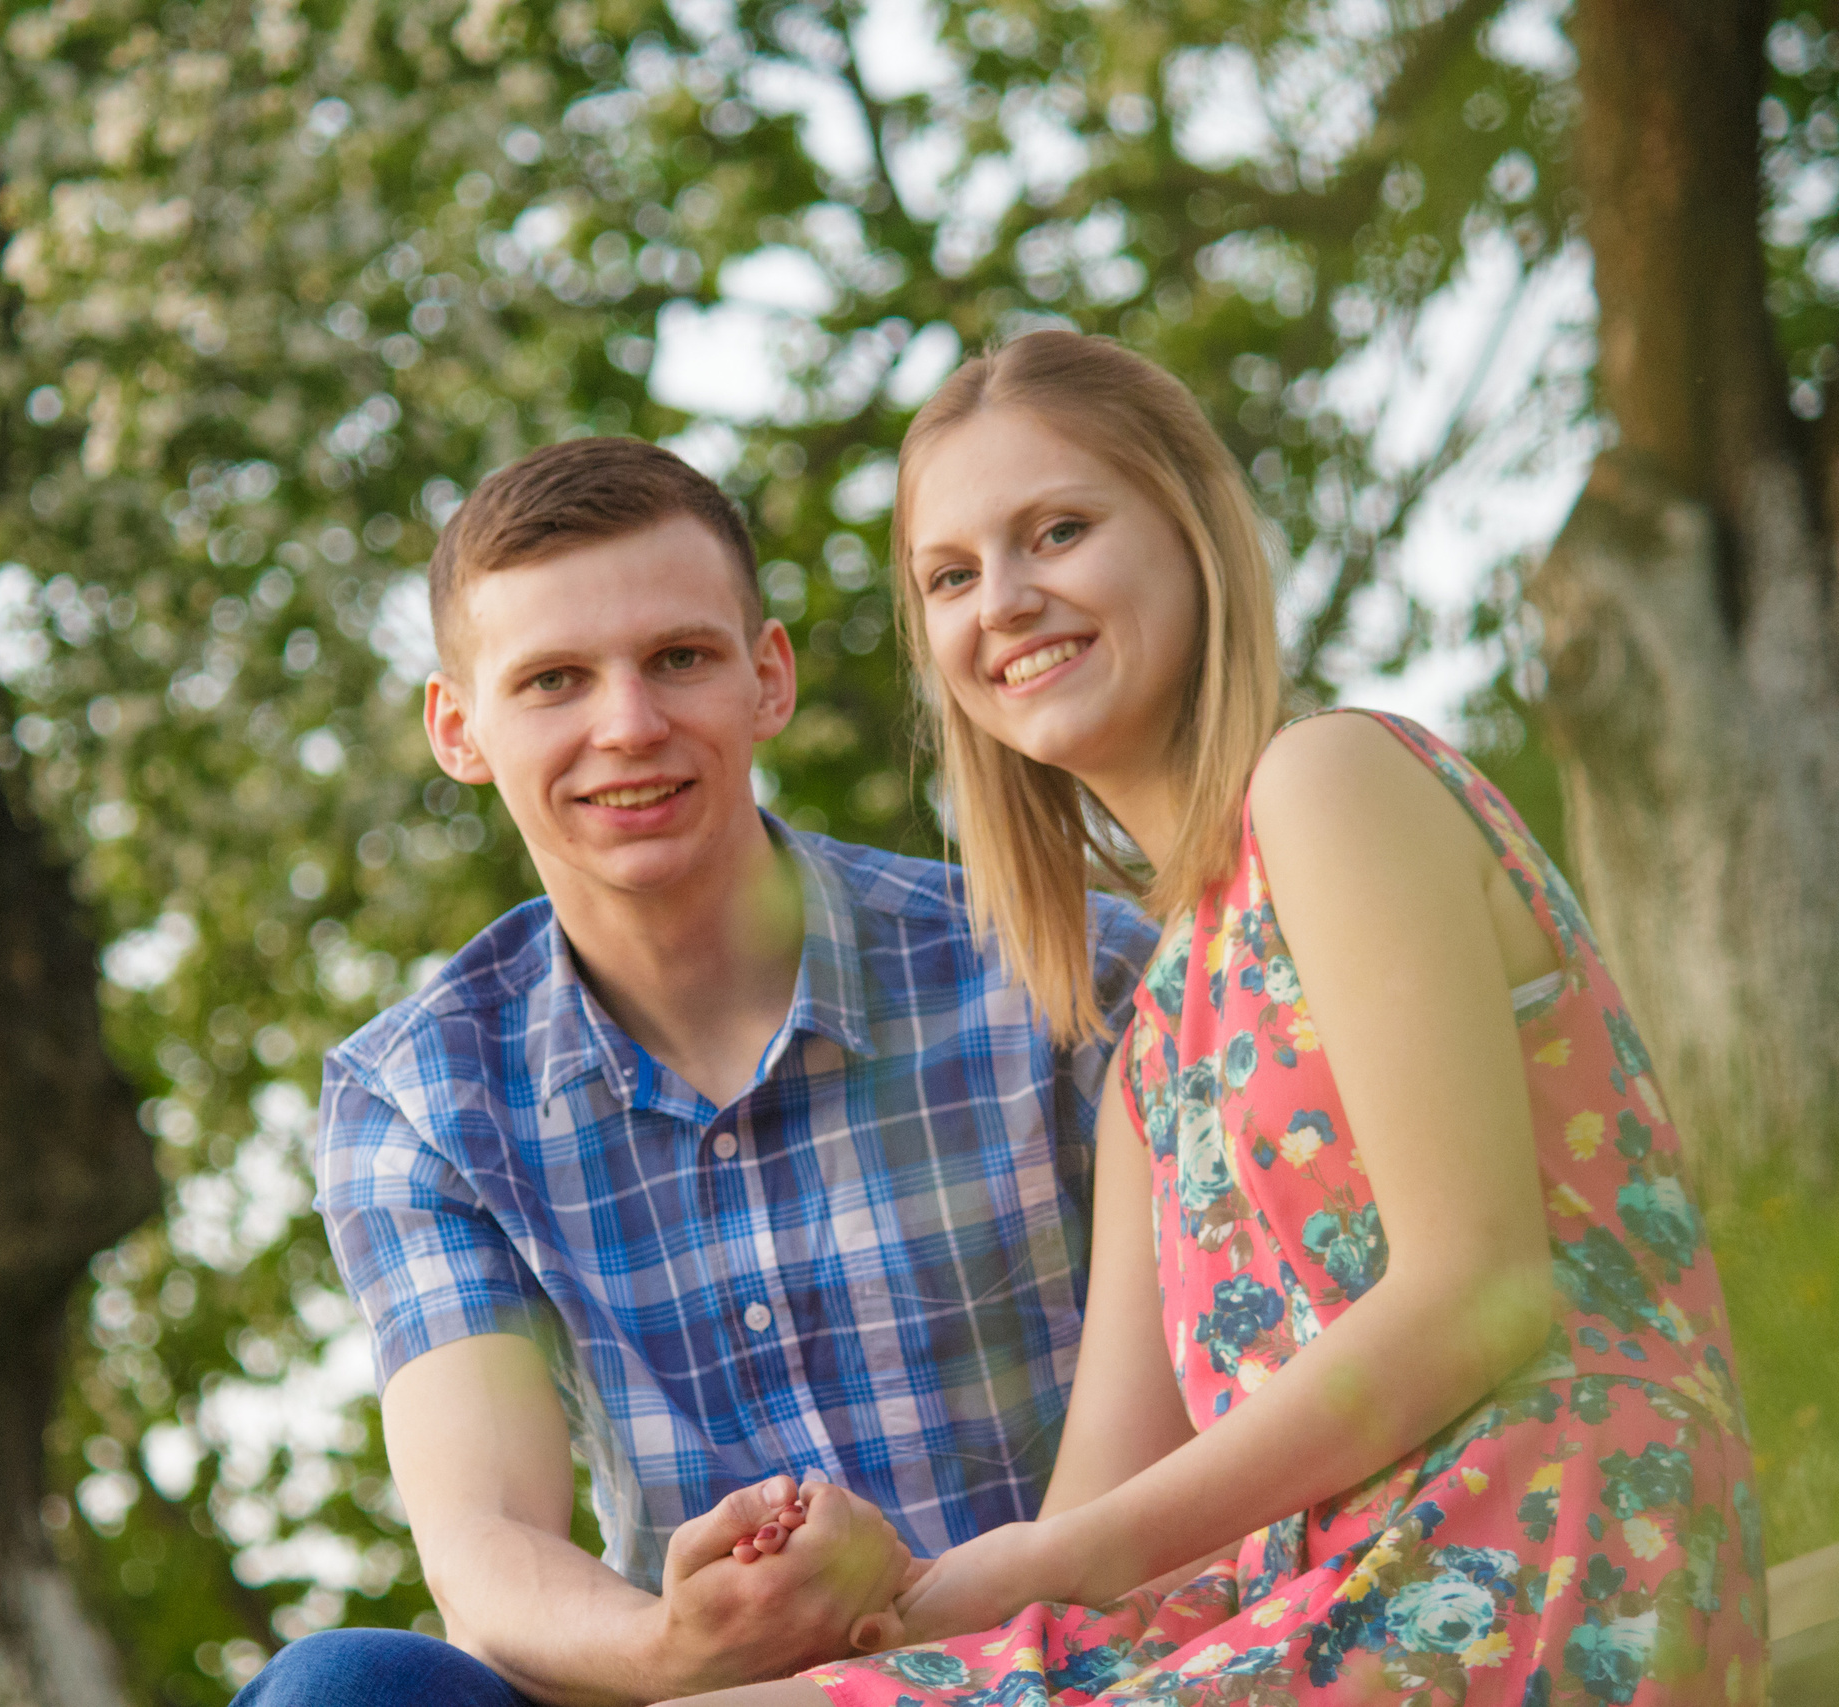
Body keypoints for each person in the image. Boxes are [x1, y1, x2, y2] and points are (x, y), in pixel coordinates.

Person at [662, 331, 1766, 1707]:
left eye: (1057, 531)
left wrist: (1061, 1556)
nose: (1004, 600)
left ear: (1192, 531)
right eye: (950, 575)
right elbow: (1095, 1521)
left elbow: (1480, 1292)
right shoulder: (1149, 1046)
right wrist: (891, 1599)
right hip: (1312, 1591)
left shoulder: (1332, 782)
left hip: (1546, 1543)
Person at [234, 437, 1158, 1707]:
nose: (627, 726)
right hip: (696, 1694)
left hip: (1077, 1661)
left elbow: (1180, 1450)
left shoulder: (1067, 970)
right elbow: (483, 1541)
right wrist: (674, 1651)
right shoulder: (419, 1097)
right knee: (344, 1688)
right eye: (553, 680)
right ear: (458, 728)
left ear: (766, 677)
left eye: (678, 659)